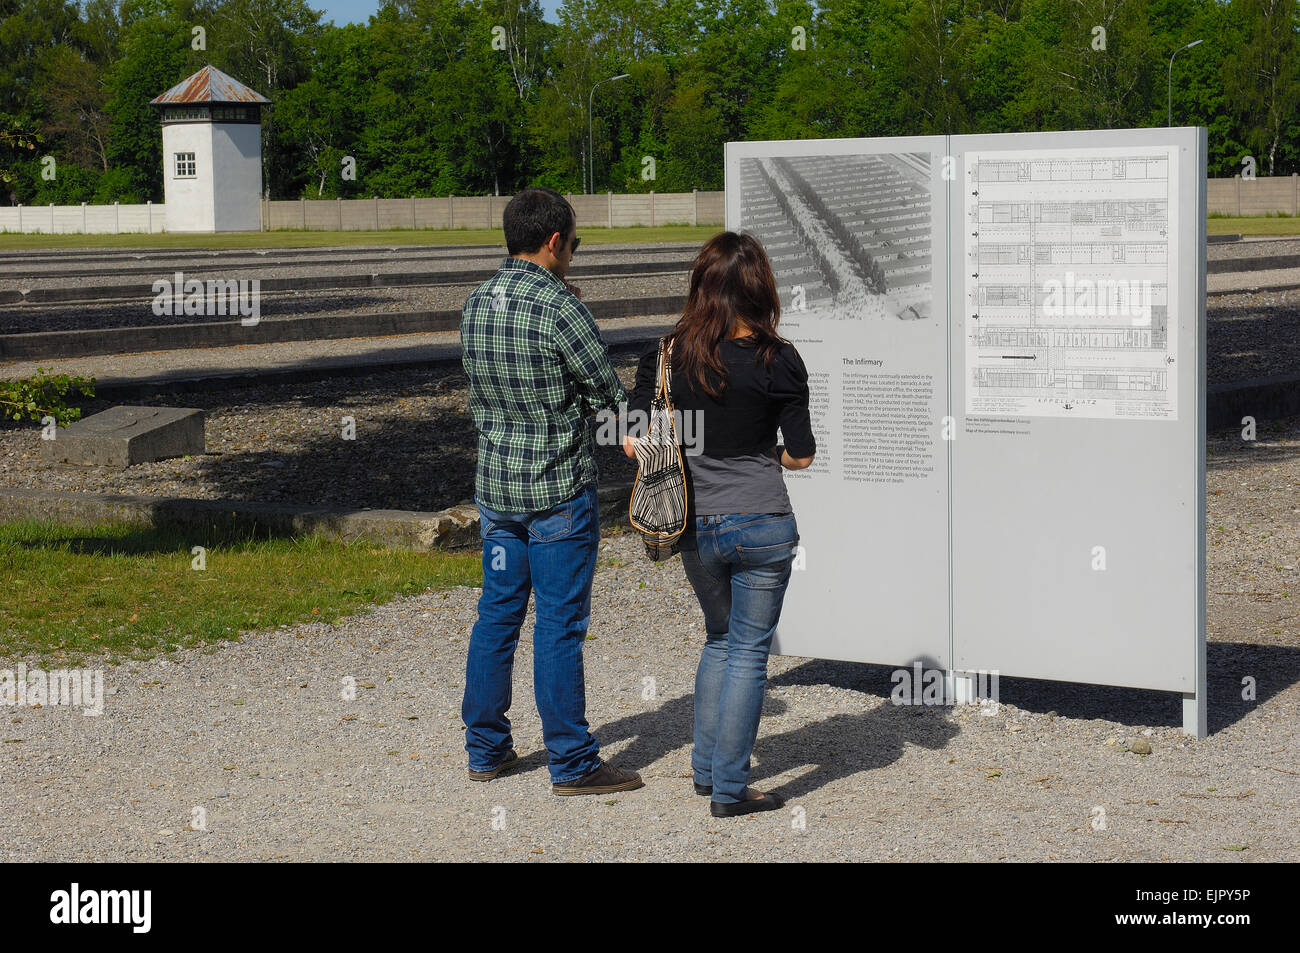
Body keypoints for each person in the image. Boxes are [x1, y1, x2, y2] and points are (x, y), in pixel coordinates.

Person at [460, 187, 643, 796]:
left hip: (496, 492)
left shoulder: (477, 301)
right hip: (557, 492)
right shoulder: (562, 309)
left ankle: (486, 749)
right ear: (556, 241)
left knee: (497, 616)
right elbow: (608, 396)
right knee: (559, 626)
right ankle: (572, 761)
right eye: (574, 244)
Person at [625, 231, 815, 817]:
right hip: (762, 521)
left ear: (701, 286)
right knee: (750, 653)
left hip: (695, 524)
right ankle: (731, 789)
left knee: (719, 639)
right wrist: (766, 451)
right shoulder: (779, 359)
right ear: (761, 288)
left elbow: (631, 441)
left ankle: (706, 771)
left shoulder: (666, 354)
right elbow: (801, 455)